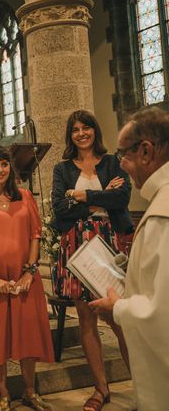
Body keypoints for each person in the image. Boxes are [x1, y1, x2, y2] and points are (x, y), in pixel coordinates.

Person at [51, 110, 133, 411]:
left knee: (120, 316)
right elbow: (60, 209)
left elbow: (122, 198)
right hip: (76, 246)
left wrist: (80, 195)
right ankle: (101, 389)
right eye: (75, 130)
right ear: (70, 135)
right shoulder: (62, 169)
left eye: (86, 128)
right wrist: (98, 197)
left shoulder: (113, 161)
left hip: (111, 240)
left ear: (95, 131)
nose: (81, 134)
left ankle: (144, 381)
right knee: (86, 317)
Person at [90, 106, 169, 411]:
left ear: (146, 151)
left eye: (123, 154)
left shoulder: (162, 216)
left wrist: (118, 307)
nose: (121, 166)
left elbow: (160, 314)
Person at [0, 145, 54, 411]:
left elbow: (35, 236)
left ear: (10, 167)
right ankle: (3, 395)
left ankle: (30, 391)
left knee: (28, 335)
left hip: (25, 278)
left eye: (4, 164)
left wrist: (29, 272)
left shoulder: (25, 197)